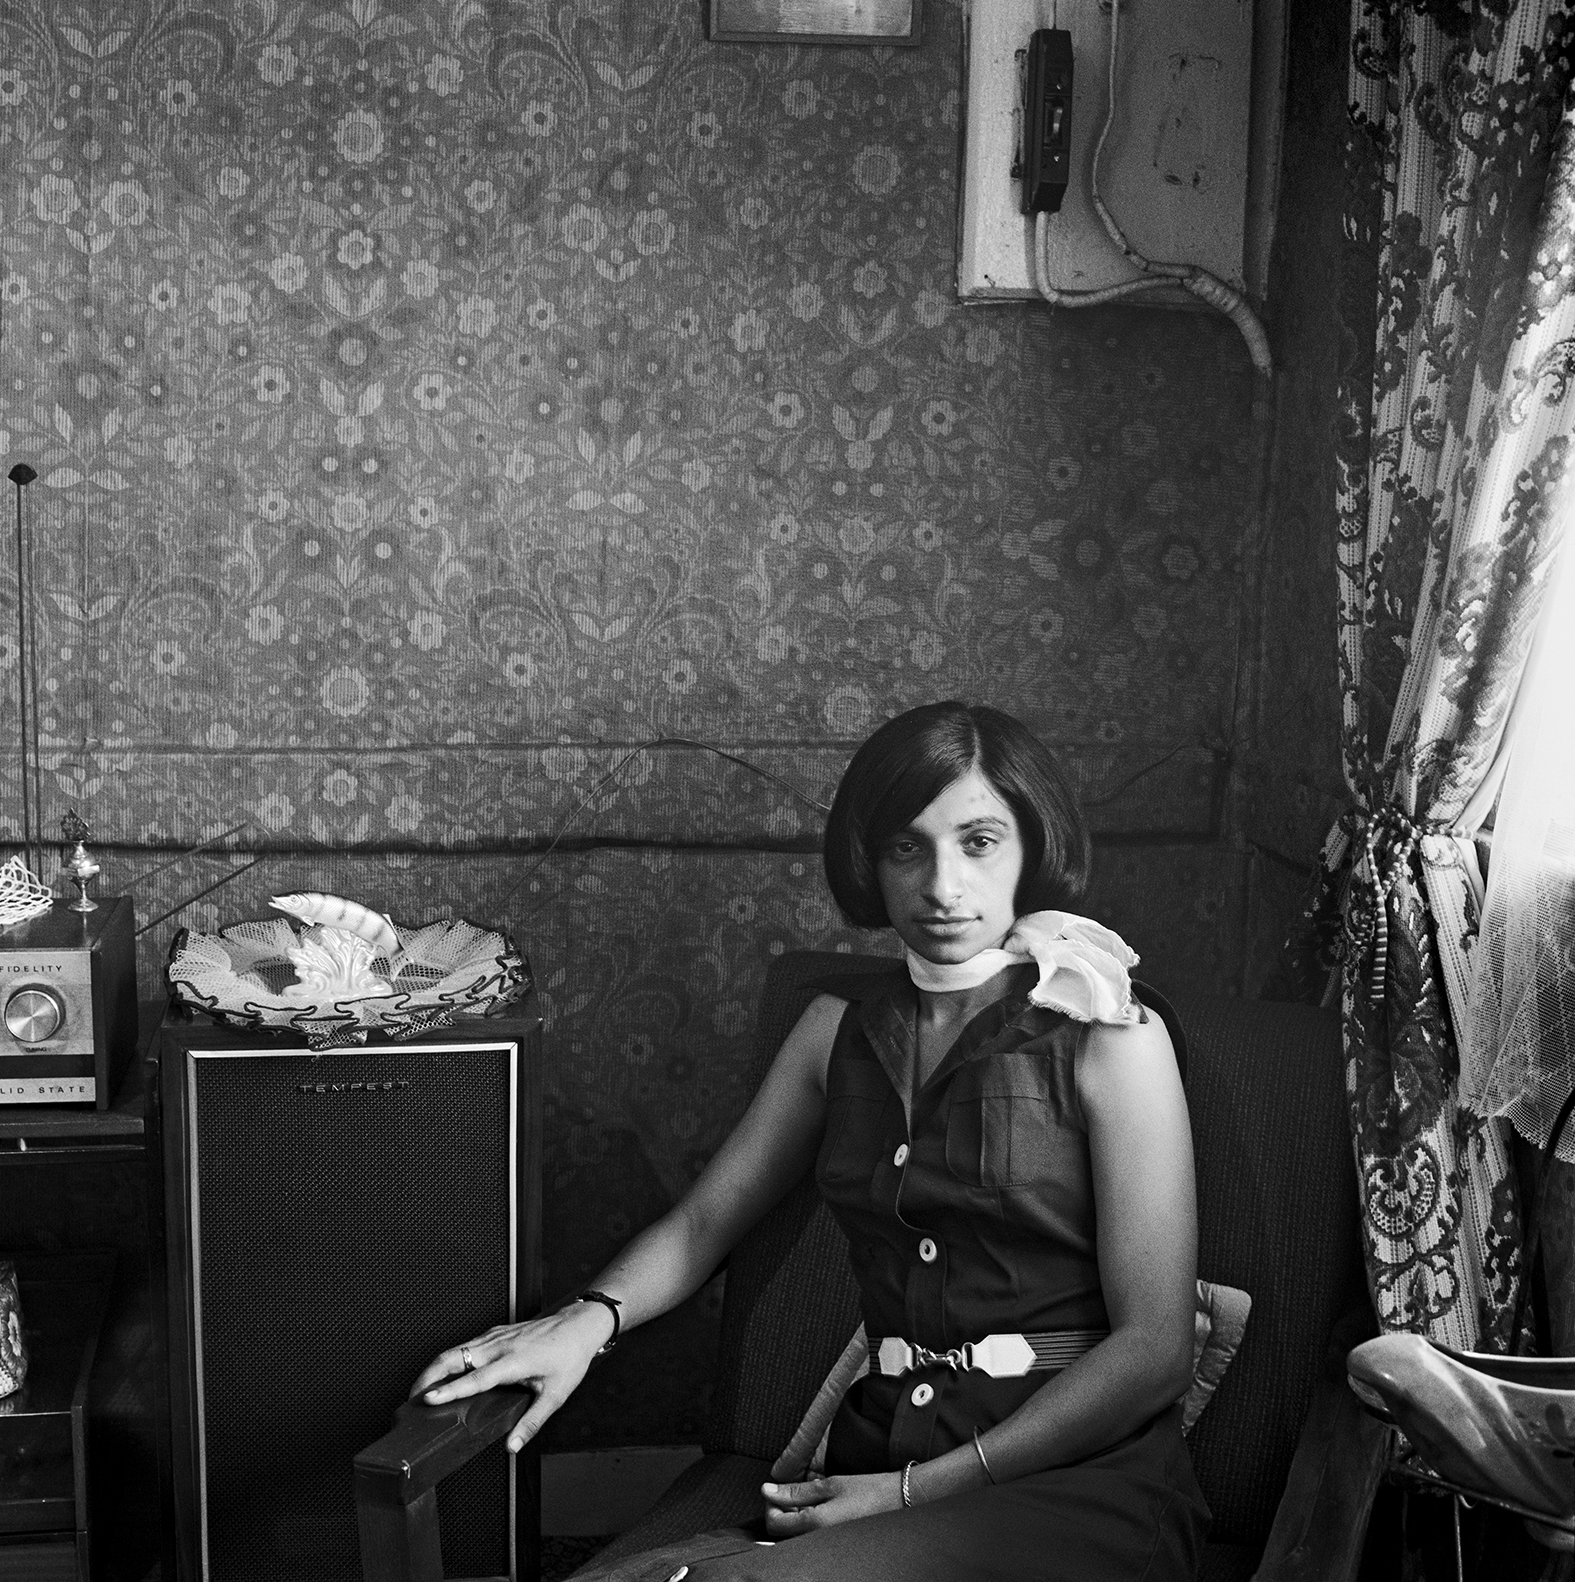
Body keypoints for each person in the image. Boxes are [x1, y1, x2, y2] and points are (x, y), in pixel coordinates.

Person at [412, 701, 1210, 1580]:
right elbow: (704, 1222)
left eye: (978, 842)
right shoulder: (835, 1030)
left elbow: (1154, 1349)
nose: (943, 885)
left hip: (1075, 1484)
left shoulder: (1109, 1037)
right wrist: (582, 1322)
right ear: (870, 860)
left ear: (1032, 846)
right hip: (877, 1457)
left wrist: (912, 1493)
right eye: (908, 846)